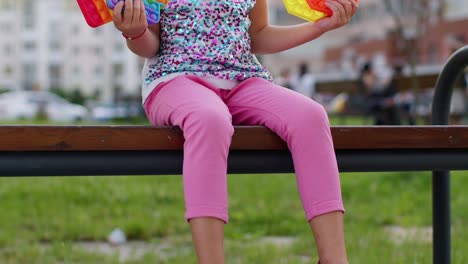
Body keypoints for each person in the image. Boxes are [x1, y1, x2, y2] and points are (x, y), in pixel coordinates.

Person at [111, 0, 358, 263]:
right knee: (210, 118)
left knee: (311, 115)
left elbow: (258, 36)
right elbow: (151, 45)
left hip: (242, 79)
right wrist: (134, 31)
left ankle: (334, 259)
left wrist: (321, 26)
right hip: (174, 79)